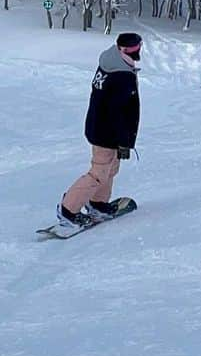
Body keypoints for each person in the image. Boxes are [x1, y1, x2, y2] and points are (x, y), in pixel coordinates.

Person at [56, 32, 142, 228]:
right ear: (123, 49)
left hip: (101, 127)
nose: (137, 51)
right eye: (134, 49)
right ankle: (67, 210)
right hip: (106, 134)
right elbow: (119, 113)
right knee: (98, 173)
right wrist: (124, 142)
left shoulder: (110, 63)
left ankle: (97, 203)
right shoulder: (121, 76)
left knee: (110, 169)